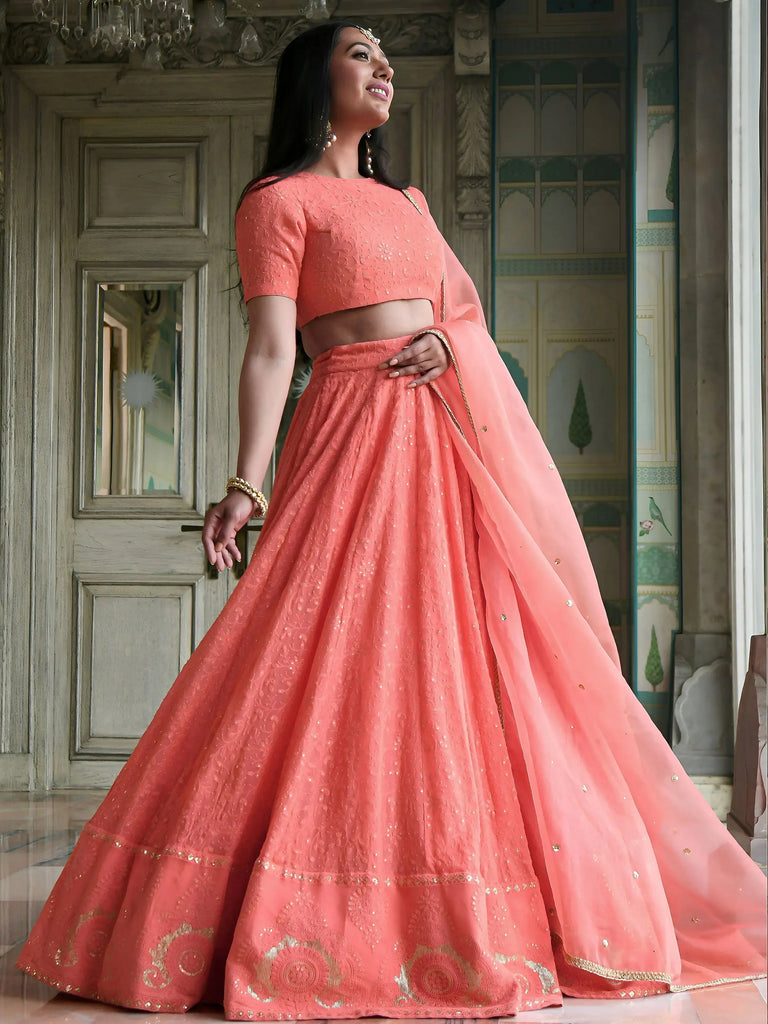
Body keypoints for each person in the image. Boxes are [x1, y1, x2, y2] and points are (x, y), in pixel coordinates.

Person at [16, 20, 767, 1020]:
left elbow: (462, 314)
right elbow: (273, 350)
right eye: (360, 53)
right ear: (313, 79)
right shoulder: (279, 203)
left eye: (384, 56)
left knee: (454, 659)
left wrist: (454, 349)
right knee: (314, 656)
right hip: (350, 432)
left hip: (444, 441)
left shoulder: (407, 201)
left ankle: (466, 904)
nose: (383, 70)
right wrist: (246, 485)